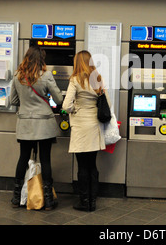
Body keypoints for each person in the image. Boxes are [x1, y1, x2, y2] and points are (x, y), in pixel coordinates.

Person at [10, 45, 63, 210]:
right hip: (44, 124)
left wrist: (26, 103)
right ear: (41, 59)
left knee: (23, 158)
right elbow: (59, 99)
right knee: (45, 159)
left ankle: (17, 197)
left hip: (25, 123)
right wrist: (45, 98)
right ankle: (47, 200)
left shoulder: (17, 76)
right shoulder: (46, 76)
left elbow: (13, 101)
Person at [62, 50, 108, 212]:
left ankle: (84, 201)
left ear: (77, 62)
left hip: (81, 126)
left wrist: (76, 108)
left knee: (82, 166)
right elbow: (105, 102)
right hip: (94, 125)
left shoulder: (75, 80)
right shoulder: (98, 79)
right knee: (92, 165)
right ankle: (93, 201)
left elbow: (66, 106)